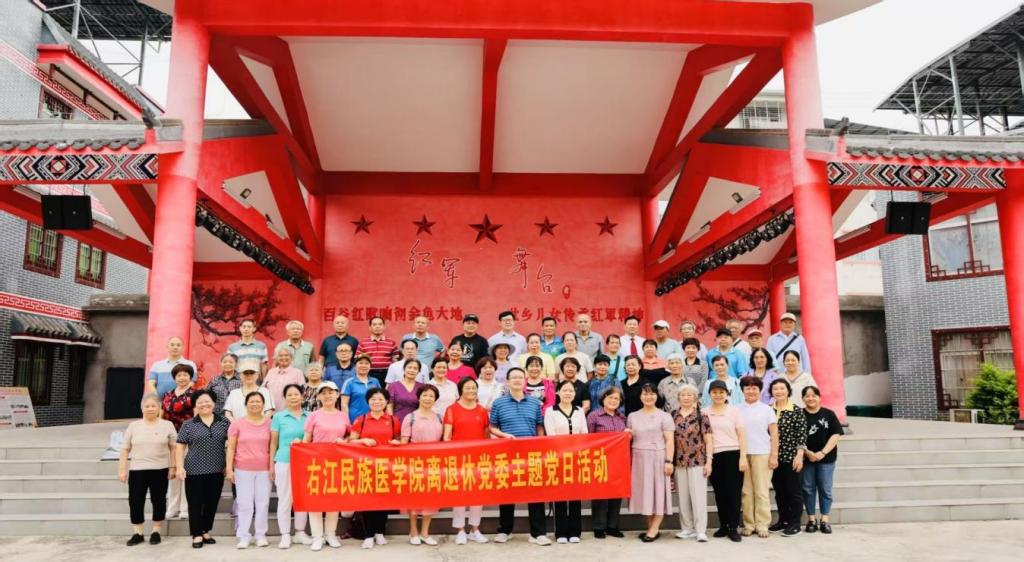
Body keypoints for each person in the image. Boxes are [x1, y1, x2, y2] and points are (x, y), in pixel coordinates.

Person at [489, 368, 549, 545]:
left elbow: (539, 426)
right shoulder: (499, 403)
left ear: (525, 381)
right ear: (507, 381)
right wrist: (504, 436)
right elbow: (492, 427)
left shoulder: (534, 403)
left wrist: (539, 443)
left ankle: (538, 533)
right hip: (507, 454)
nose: (517, 380)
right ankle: (505, 530)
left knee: (535, 493)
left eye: (520, 377)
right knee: (507, 492)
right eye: (513, 377)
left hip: (531, 453)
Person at [119, 393, 177, 546]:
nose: (150, 408)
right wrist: (122, 469)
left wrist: (173, 467)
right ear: (142, 408)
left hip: (160, 469)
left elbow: (174, 448)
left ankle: (156, 531)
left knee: (158, 500)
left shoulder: (167, 425)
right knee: (135, 501)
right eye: (147, 406)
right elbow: (125, 449)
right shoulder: (134, 426)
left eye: (153, 406)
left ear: (159, 408)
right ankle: (137, 533)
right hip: (137, 470)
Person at [175, 390, 230, 549]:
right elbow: (180, 447)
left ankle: (205, 530)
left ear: (214, 403)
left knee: (211, 503)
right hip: (194, 470)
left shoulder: (224, 422)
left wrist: (229, 465)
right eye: (200, 402)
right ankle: (197, 534)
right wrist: (179, 467)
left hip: (217, 470)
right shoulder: (188, 424)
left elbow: (232, 445)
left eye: (207, 401)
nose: (204, 404)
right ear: (195, 405)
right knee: (195, 503)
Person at [350, 388, 401, 549]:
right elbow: (351, 441)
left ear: (386, 402)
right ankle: (368, 535)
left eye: (380, 399)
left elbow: (398, 439)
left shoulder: (393, 420)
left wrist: (397, 443)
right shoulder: (362, 419)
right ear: (368, 401)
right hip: (366, 465)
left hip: (387, 466)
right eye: (373, 399)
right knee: (368, 500)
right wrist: (363, 441)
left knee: (384, 500)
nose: (377, 402)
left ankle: (380, 532)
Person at [444, 377, 491, 545]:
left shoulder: (482, 410)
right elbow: (447, 437)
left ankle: (474, 529)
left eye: (474, 388)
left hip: (478, 459)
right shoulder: (452, 409)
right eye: (468, 388)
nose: (471, 391)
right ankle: (460, 530)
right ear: (461, 390)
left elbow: (486, 435)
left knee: (477, 495)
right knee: (460, 495)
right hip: (458, 459)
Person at [303, 381, 349, 551]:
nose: (328, 396)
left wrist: (343, 440)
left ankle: (330, 534)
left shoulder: (343, 416)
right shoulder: (313, 415)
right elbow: (306, 440)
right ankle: (317, 536)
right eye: (324, 393)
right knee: (315, 500)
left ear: (337, 395)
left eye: (331, 392)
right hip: (316, 463)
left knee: (333, 500)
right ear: (319, 397)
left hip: (337, 463)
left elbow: (350, 436)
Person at [628, 384, 675, 542]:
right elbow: (629, 437)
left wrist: (669, 461)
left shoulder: (665, 416)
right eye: (645, 394)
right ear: (640, 396)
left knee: (659, 493)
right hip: (638, 458)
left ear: (657, 396)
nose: (648, 397)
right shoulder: (632, 416)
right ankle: (651, 528)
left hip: (658, 457)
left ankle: (654, 529)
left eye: (652, 394)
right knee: (646, 494)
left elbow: (670, 440)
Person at [226, 391, 272, 549]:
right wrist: (229, 469)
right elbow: (231, 448)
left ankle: (260, 535)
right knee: (245, 503)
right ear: (246, 404)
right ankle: (244, 535)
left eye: (258, 401)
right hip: (242, 468)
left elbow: (273, 446)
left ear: (263, 404)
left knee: (263, 503)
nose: (255, 404)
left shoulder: (270, 423)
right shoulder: (237, 424)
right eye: (251, 401)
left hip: (264, 469)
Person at [545, 380, 588, 544]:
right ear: (558, 392)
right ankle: (561, 532)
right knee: (560, 495)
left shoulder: (579, 411)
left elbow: (584, 434)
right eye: (564, 390)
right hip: (558, 458)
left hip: (576, 458)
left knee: (576, 495)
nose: (568, 393)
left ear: (575, 394)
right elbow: (550, 435)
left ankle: (575, 531)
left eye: (571, 391)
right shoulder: (551, 411)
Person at [400, 385, 444, 546]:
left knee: (430, 499)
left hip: (434, 463)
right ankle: (413, 532)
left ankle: (425, 533)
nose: (427, 398)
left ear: (435, 399)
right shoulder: (410, 417)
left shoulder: (439, 417)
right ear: (419, 397)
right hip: (414, 463)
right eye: (425, 395)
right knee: (413, 498)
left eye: (431, 396)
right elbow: (404, 442)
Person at [705, 379, 747, 542]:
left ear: (727, 393)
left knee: (733, 493)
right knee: (720, 493)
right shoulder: (704, 412)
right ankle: (723, 525)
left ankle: (733, 527)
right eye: (714, 392)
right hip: (714, 455)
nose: (718, 395)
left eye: (721, 392)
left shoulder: (734, 411)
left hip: (733, 454)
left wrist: (743, 456)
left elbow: (741, 435)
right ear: (709, 394)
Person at [269, 384, 311, 549]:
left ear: (302, 396)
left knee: (303, 498)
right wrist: (271, 465)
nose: (293, 397)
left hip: (306, 462)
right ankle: (285, 534)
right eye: (290, 395)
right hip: (284, 460)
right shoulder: (279, 417)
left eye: (296, 394)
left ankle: (300, 532)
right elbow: (273, 443)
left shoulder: (310, 416)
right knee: (285, 498)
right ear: (285, 398)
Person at [738, 376, 778, 538]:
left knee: (761, 491)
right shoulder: (736, 409)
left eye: (754, 388)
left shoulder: (767, 409)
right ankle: (749, 524)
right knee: (746, 491)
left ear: (760, 390)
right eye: (747, 388)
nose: (751, 391)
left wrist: (774, 455)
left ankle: (762, 524)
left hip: (762, 453)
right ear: (742, 390)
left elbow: (774, 434)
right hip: (742, 454)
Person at [672, 384, 712, 543]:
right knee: (682, 497)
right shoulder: (673, 415)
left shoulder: (702, 415)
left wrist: (709, 461)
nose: (686, 397)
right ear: (678, 398)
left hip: (698, 460)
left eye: (689, 395)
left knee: (698, 497)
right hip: (679, 461)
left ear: (695, 397)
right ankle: (687, 528)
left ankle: (700, 530)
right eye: (683, 395)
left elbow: (709, 440)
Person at [586, 387, 628, 539]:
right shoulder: (594, 416)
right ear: (603, 399)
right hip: (600, 460)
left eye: (616, 399)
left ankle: (612, 526)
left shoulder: (622, 417)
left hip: (618, 461)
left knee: (616, 494)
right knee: (600, 494)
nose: (613, 401)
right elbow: (588, 438)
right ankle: (599, 527)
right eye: (610, 397)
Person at [768, 378, 807, 537]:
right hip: (773, 458)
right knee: (779, 491)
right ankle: (783, 520)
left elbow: (802, 435)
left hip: (791, 457)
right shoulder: (768, 410)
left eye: (782, 388)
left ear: (788, 391)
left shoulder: (796, 410)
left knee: (793, 491)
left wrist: (799, 456)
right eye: (775, 389)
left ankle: (795, 524)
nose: (778, 391)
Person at [801, 386, 843, 535]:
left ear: (819, 397)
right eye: (807, 396)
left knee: (825, 489)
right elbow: (796, 436)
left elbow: (836, 434)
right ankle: (811, 519)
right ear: (803, 399)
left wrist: (822, 452)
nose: (810, 398)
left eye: (813, 395)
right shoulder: (799, 414)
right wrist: (808, 452)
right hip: (806, 459)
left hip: (827, 459)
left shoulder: (829, 414)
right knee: (808, 489)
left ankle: (825, 519)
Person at [161, 364, 196, 519]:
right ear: (174, 378)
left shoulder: (195, 394)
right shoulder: (168, 395)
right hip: (171, 438)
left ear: (190, 377)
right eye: (179, 375)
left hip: (188, 438)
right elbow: (162, 414)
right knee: (174, 472)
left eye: (185, 375)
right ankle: (172, 507)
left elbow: (197, 416)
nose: (182, 378)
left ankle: (185, 508)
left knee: (185, 473)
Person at [341, 354, 382, 423]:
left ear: (370, 367)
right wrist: (347, 422)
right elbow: (344, 404)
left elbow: (381, 400)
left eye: (366, 363)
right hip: (355, 420)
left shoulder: (375, 381)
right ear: (355, 366)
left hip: (374, 419)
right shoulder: (349, 382)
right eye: (361, 363)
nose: (364, 366)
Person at [360, 316, 399, 387]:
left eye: (380, 324)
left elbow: (396, 361)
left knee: (386, 393)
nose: (377, 326)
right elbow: (358, 359)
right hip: (368, 373)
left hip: (387, 374)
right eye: (374, 324)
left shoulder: (391, 342)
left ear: (384, 327)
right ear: (370, 327)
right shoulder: (363, 342)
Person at [264, 347, 304, 415]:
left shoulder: (298, 373)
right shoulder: (271, 372)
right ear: (276, 358)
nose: (284, 357)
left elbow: (302, 393)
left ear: (291, 358)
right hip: (270, 413)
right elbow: (264, 390)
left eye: (286, 355)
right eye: (281, 355)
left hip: (289, 413)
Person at [388, 358, 424, 423]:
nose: (412, 370)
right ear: (404, 369)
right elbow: (390, 406)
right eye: (409, 367)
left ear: (418, 371)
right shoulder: (393, 386)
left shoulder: (422, 387)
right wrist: (392, 421)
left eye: (415, 368)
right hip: (398, 421)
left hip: (416, 422)